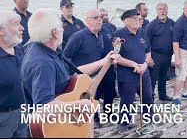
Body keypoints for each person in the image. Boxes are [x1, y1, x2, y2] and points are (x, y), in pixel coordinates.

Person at [20, 8, 120, 138]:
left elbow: (75, 74)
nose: (63, 29)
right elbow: (43, 108)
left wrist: (104, 61)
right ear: (55, 32)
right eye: (61, 26)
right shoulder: (42, 63)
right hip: (55, 127)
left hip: (66, 121)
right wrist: (77, 105)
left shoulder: (48, 50)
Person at [63, 9, 117, 128]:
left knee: (109, 91)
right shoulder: (78, 37)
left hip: (101, 71)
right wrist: (73, 75)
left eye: (100, 17)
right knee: (91, 97)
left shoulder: (101, 34)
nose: (99, 20)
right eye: (96, 18)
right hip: (84, 75)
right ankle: (94, 118)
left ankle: (108, 113)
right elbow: (65, 57)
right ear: (87, 21)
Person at [114, 9, 153, 134]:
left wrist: (146, 64)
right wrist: (133, 64)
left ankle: (148, 119)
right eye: (134, 18)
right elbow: (115, 56)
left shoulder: (142, 32)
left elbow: (148, 51)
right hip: (127, 76)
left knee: (148, 97)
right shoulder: (118, 35)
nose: (138, 20)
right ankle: (123, 123)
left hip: (144, 73)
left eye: (138, 18)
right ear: (125, 21)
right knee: (127, 100)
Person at [0, 11, 27, 138]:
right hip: (3, 118)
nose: (22, 28)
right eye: (16, 24)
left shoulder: (19, 48)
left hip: (22, 112)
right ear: (1, 30)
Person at [145, 3, 175, 102]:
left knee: (163, 77)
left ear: (167, 10)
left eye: (164, 9)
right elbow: (146, 43)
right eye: (160, 9)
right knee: (152, 79)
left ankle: (162, 95)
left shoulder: (172, 23)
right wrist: (149, 58)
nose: (162, 11)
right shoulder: (151, 25)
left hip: (167, 55)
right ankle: (150, 98)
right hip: (155, 55)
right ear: (157, 11)